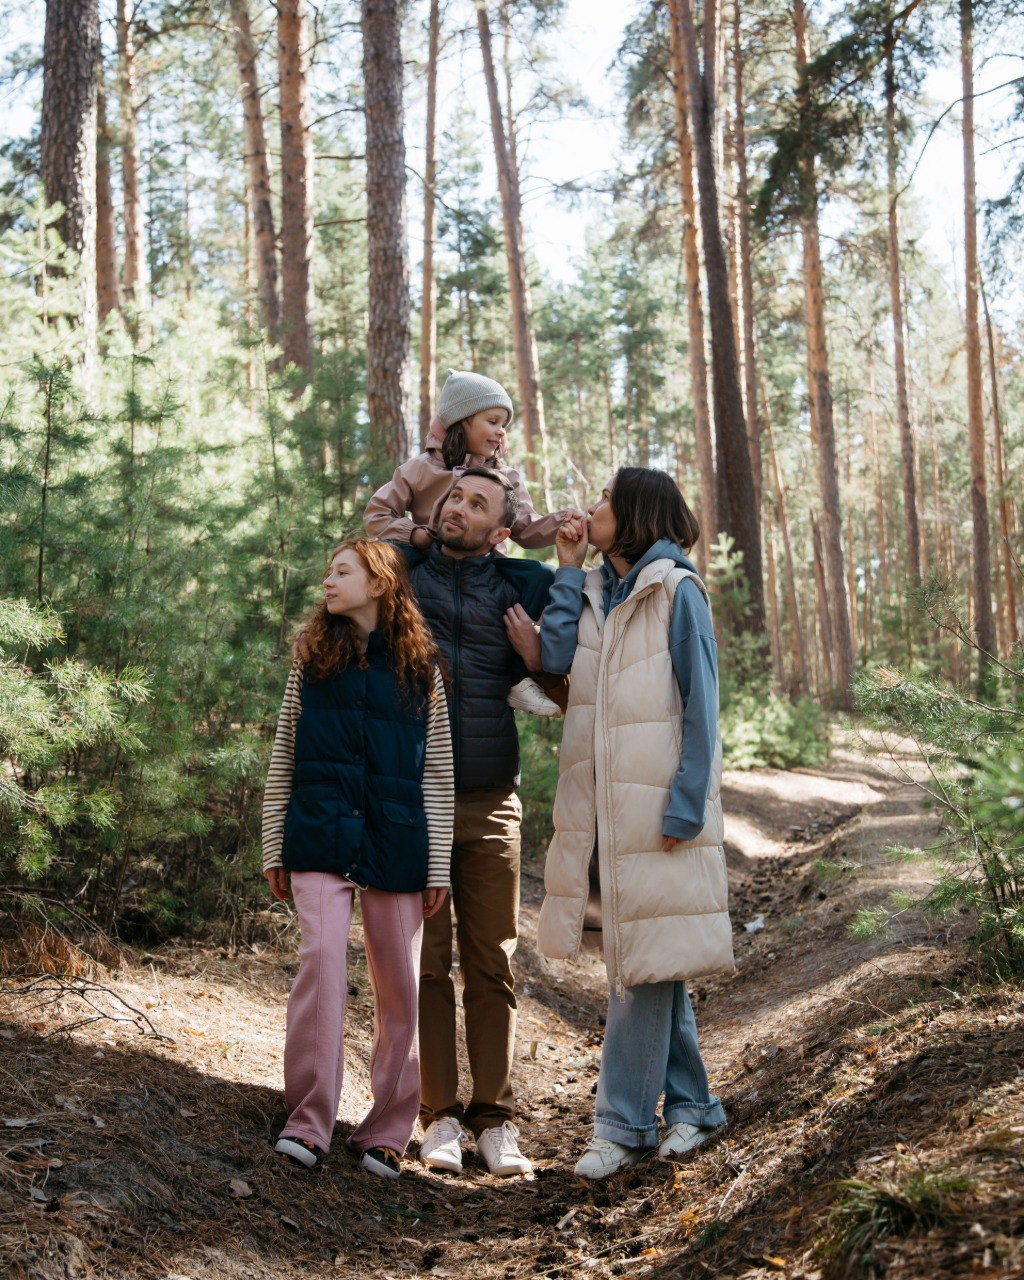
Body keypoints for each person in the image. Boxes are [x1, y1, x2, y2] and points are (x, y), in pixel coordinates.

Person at [536, 467, 733, 1180]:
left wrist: (686, 803)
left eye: (606, 501)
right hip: (603, 814)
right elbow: (553, 661)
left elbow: (702, 707)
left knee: (638, 971)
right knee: (653, 960)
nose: (592, 509)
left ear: (639, 514)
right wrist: (563, 570)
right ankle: (693, 1108)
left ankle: (621, 1125)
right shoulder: (594, 591)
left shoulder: (678, 591)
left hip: (658, 811)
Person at [262, 538, 454, 1180]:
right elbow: (284, 753)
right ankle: (310, 1121)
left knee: (399, 981)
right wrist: (273, 842)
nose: (328, 579)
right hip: (317, 834)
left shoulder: (420, 667)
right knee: (320, 960)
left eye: (342, 570)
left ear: (379, 583)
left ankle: (386, 1129)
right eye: (328, 568)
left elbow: (437, 774)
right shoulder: (311, 659)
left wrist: (437, 865)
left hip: (397, 841)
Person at [402, 466, 557, 1178]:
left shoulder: (517, 583)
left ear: (500, 530)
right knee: (427, 965)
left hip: (493, 800)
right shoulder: (402, 571)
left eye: (477, 503)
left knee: (492, 965)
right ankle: (438, 1117)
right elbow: (364, 537)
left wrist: (537, 657)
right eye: (453, 497)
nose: (457, 508)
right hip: (416, 800)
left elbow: (571, 644)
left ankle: (495, 1121)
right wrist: (433, 457)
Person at [364, 368, 578, 718]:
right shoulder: (421, 468)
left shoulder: (505, 476)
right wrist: (414, 535)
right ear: (461, 420)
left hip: (486, 566)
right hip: (429, 556)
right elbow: (377, 514)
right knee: (384, 560)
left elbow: (524, 528)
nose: (501, 431)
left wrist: (561, 522)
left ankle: (521, 677)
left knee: (541, 576)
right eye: (492, 420)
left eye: (503, 424)